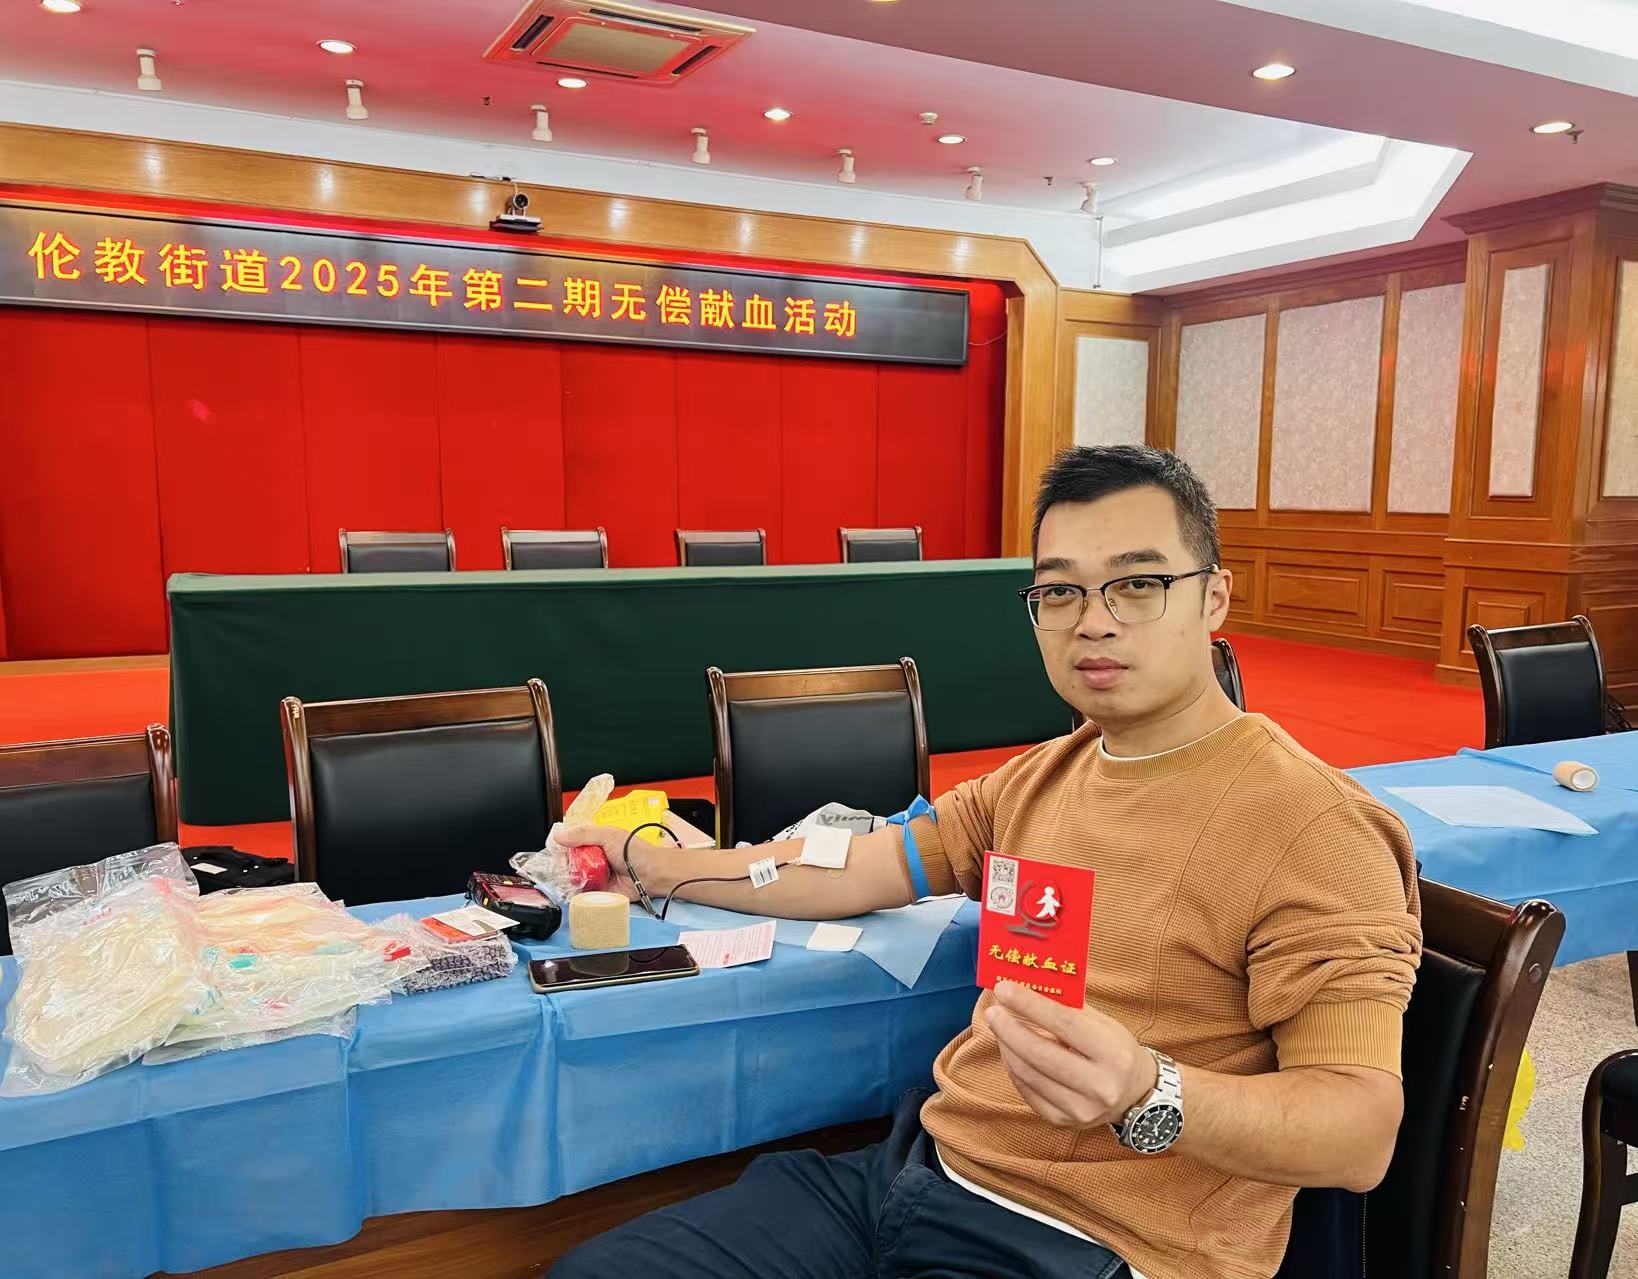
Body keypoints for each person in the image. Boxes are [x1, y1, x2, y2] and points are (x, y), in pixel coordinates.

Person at [549, 445, 1422, 1279]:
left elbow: (1359, 1131)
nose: (1094, 620)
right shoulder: (1041, 778)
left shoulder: (1315, 827)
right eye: (1061, 591)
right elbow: (853, 865)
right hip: (913, 1179)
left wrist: (1147, 1091)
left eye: (1138, 583)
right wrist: (651, 863)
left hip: (1092, 1243)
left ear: (1214, 597)